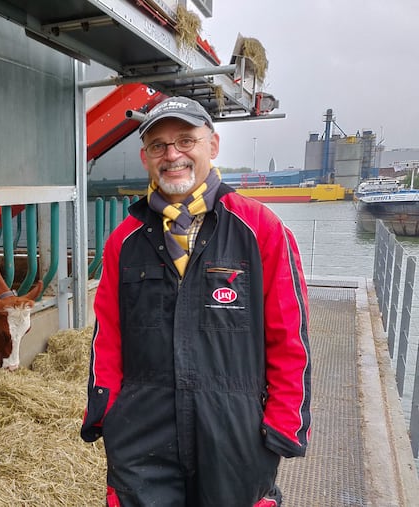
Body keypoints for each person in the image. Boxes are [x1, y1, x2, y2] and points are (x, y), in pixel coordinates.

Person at [81, 96, 311, 507]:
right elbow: (108, 337)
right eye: (158, 146)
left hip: (234, 432)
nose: (172, 155)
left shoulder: (261, 230)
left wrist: (283, 423)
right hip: (142, 430)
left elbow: (289, 338)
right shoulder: (124, 242)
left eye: (186, 140)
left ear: (213, 145)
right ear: (145, 157)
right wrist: (104, 410)